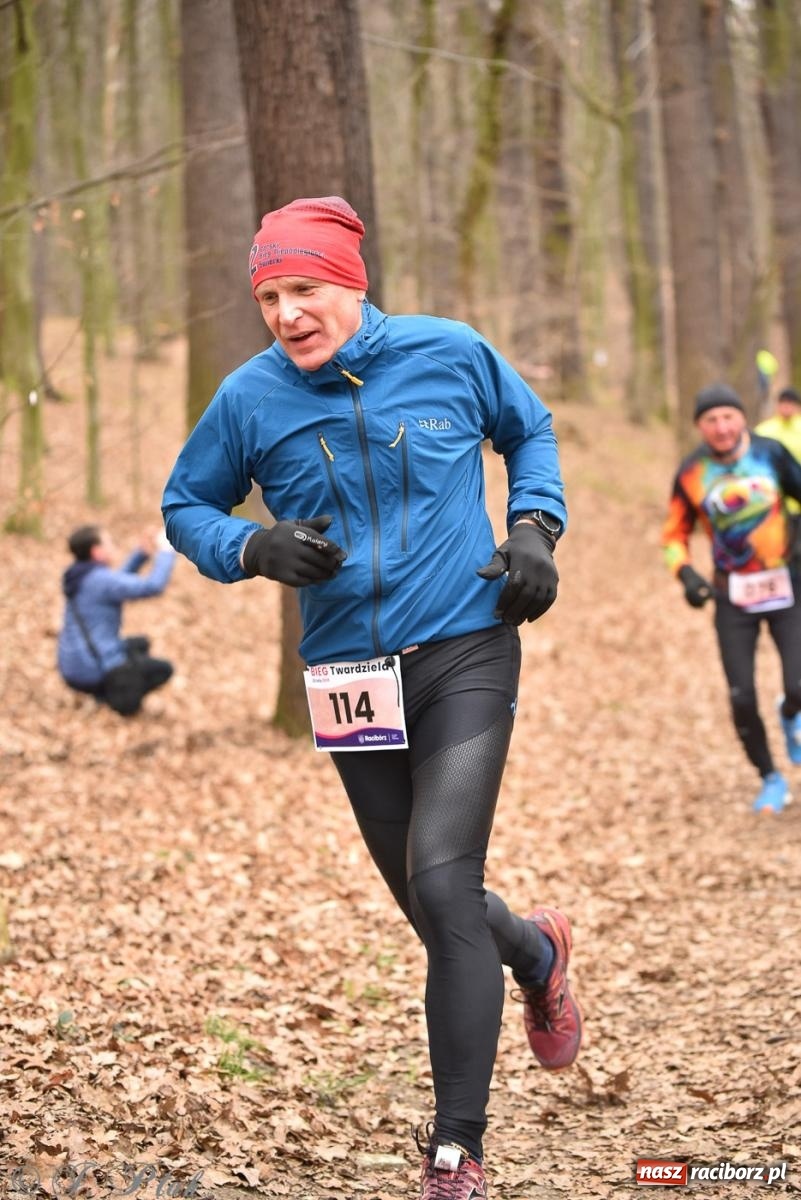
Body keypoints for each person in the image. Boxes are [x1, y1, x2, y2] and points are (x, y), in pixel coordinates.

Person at [162, 196, 581, 1199]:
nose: (285, 312)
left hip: (466, 647)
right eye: (268, 294)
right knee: (435, 907)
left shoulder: (450, 352)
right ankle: (537, 949)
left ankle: (456, 1150)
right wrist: (247, 546)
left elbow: (531, 430)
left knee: (444, 882)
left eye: (303, 288)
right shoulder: (250, 399)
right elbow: (186, 505)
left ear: (350, 283)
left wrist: (533, 527)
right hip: (350, 675)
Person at [662, 382, 801, 814]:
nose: (721, 427)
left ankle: (790, 710)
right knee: (741, 696)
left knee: (798, 683)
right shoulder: (690, 473)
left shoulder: (772, 452)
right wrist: (685, 573)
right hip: (732, 596)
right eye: (711, 420)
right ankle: (770, 779)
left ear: (742, 418)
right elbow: (673, 535)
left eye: (728, 417)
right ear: (700, 427)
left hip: (786, 585)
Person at [58, 524, 176, 716]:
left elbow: (116, 582)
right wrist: (166, 550)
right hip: (92, 668)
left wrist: (141, 553)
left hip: (75, 664)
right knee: (164, 669)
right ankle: (118, 700)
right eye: (109, 542)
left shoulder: (81, 575)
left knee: (140, 644)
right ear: (97, 551)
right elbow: (153, 586)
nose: (113, 546)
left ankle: (108, 690)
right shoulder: (100, 580)